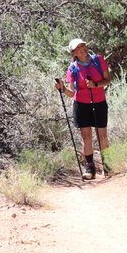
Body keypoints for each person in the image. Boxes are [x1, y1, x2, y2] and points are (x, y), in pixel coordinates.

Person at [54, 38, 111, 179]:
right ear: (73, 52)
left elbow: (108, 80)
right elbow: (72, 92)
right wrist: (62, 89)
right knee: (86, 137)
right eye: (78, 47)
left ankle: (108, 167)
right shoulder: (72, 68)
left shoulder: (98, 60)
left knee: (102, 136)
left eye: (83, 45)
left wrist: (95, 84)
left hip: (99, 102)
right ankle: (90, 169)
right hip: (81, 104)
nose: (82, 48)